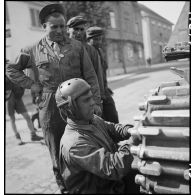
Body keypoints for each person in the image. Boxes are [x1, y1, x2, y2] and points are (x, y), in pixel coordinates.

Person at [6, 3, 102, 193]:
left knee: (84, 144)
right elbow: (10, 69)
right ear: (44, 27)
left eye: (62, 26)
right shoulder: (32, 49)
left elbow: (91, 76)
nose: (59, 31)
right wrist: (32, 85)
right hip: (49, 106)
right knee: (57, 150)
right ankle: (65, 188)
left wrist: (96, 103)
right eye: (54, 27)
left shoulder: (77, 47)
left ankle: (87, 185)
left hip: (77, 102)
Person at [55, 78, 140, 194]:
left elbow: (113, 129)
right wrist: (132, 143)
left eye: (91, 98)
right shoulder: (74, 144)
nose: (92, 103)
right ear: (70, 109)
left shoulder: (90, 119)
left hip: (108, 183)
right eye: (86, 100)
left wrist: (131, 130)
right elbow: (113, 168)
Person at [66, 16, 105, 107]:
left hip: (87, 96)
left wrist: (99, 99)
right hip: (68, 96)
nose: (79, 32)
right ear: (68, 29)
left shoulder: (91, 50)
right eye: (75, 29)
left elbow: (97, 75)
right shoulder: (61, 48)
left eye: (82, 29)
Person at [86, 26, 119, 123]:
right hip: (95, 94)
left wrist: (105, 88)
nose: (99, 42)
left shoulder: (99, 51)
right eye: (95, 39)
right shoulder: (87, 52)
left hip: (104, 91)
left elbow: (103, 72)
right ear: (89, 39)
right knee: (102, 121)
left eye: (100, 39)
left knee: (113, 117)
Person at [6, 74, 43, 145]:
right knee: (12, 119)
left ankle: (33, 135)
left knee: (27, 116)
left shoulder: (16, 69)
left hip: (18, 97)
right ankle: (17, 138)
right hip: (8, 97)